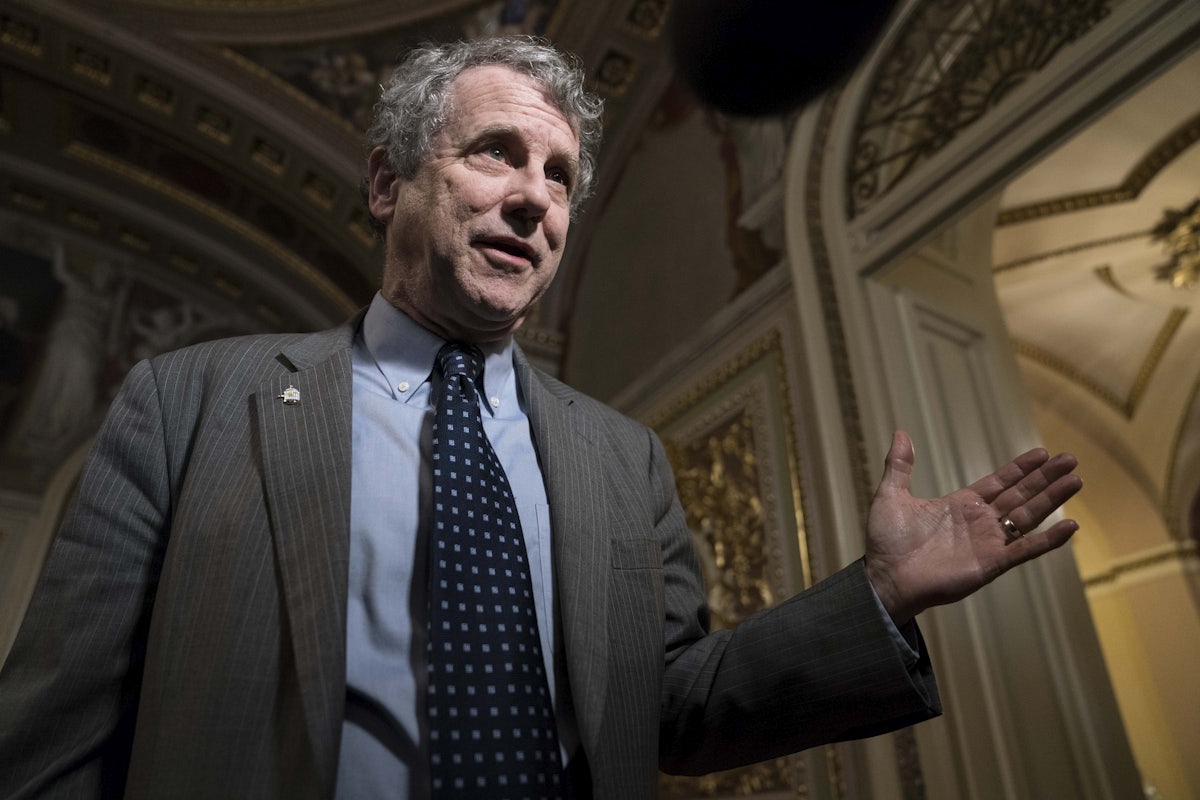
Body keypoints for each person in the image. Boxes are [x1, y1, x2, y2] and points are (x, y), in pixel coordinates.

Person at [0, 36, 1082, 800]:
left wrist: (880, 597)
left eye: (561, 175)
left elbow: (671, 707)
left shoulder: (621, 458)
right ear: (388, 184)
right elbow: (52, 737)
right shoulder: (191, 402)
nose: (536, 197)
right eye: (495, 154)